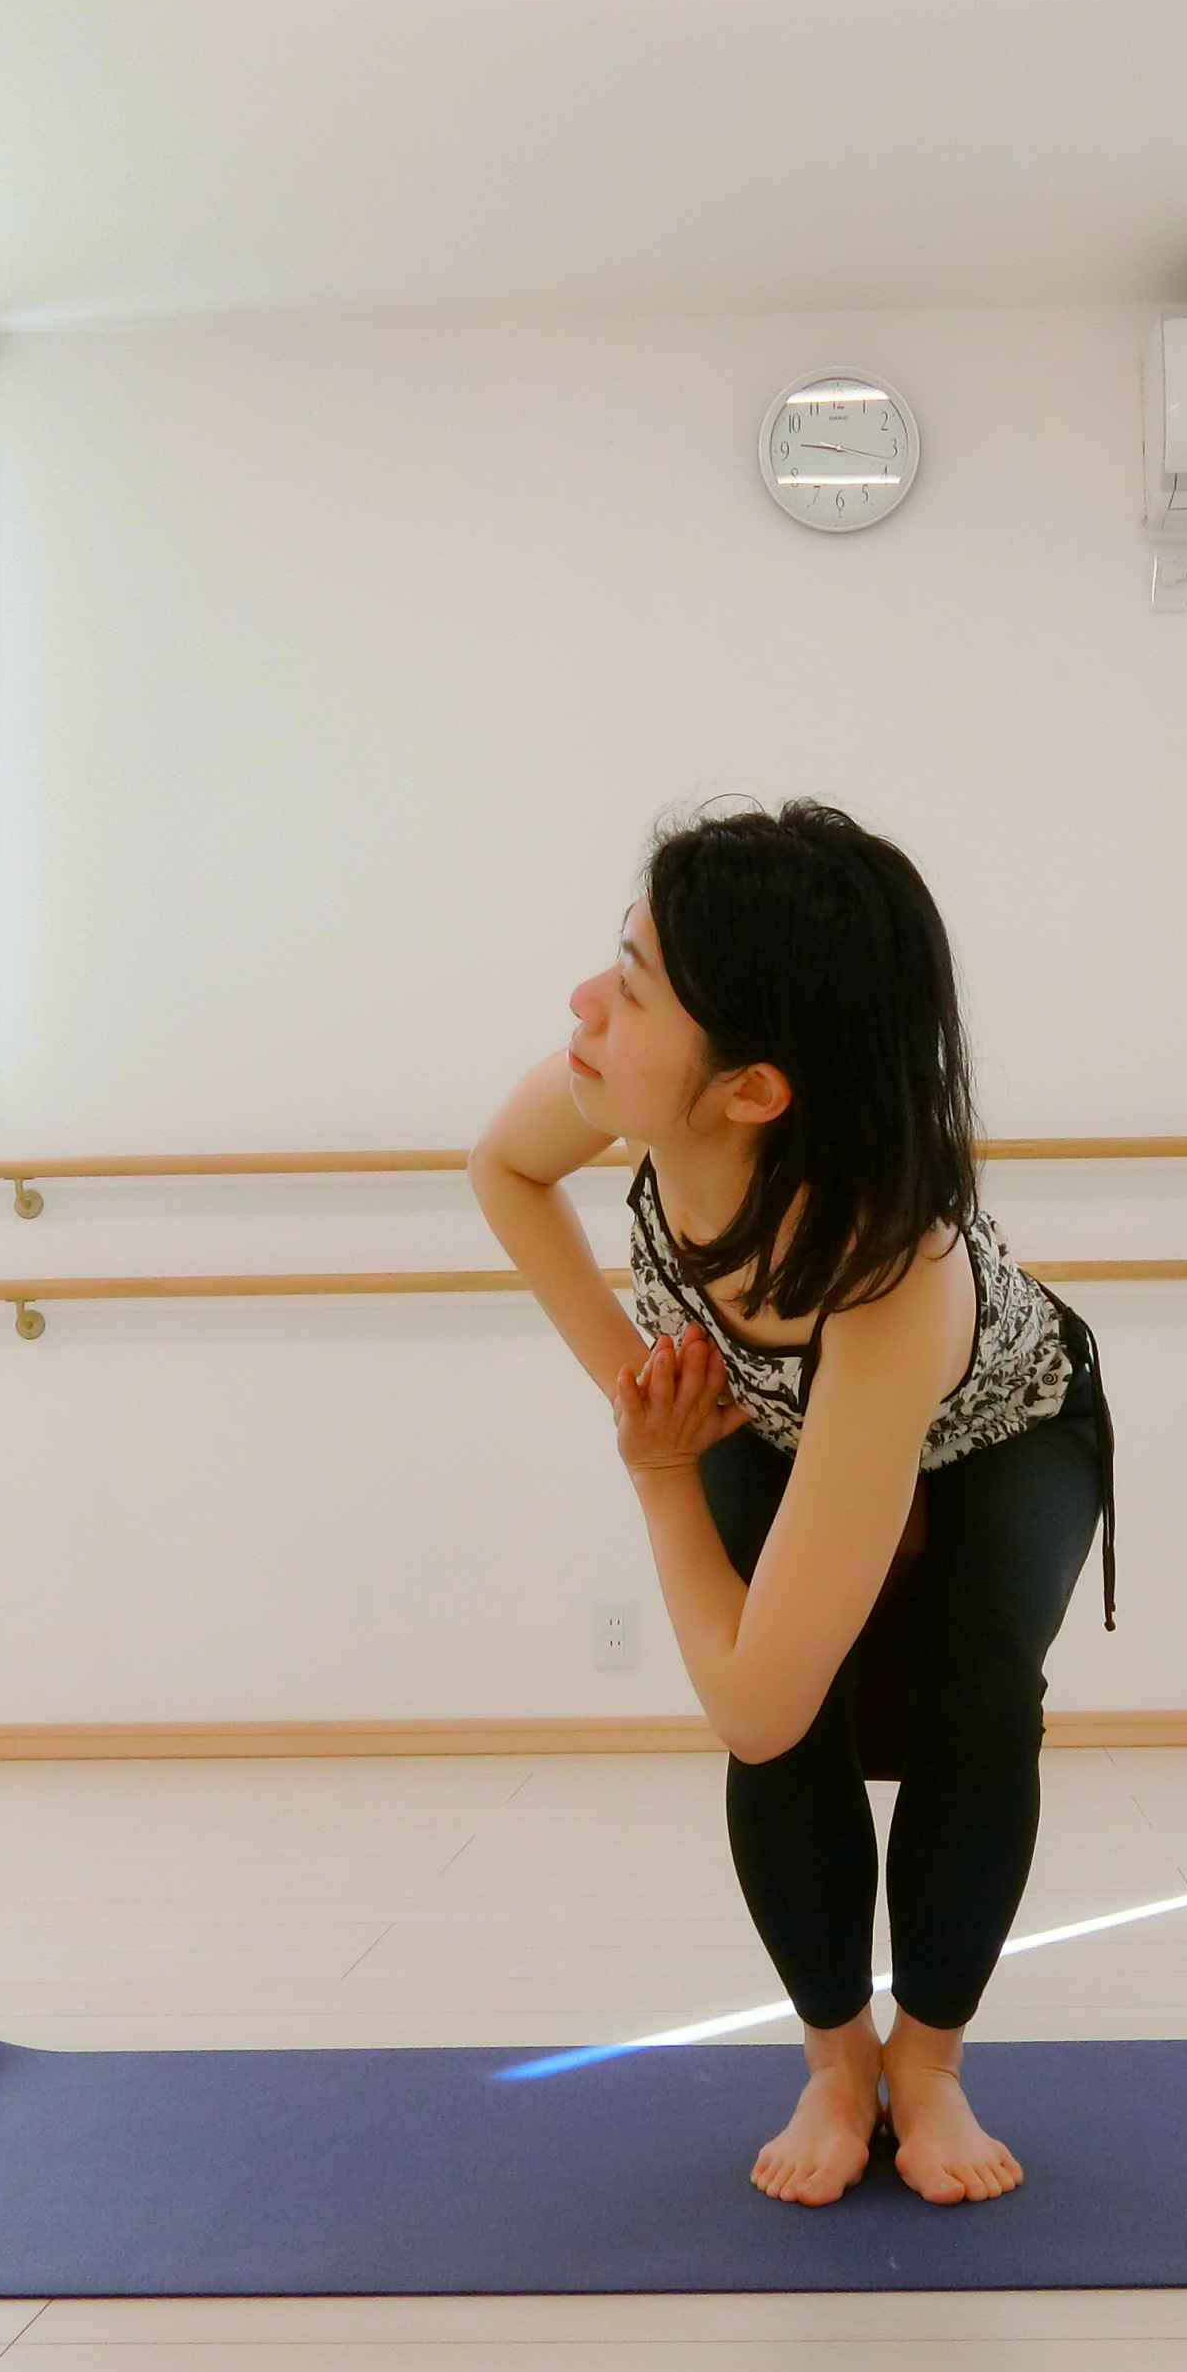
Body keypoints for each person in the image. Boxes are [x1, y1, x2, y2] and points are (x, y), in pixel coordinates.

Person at [467, 798, 1116, 2206]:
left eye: (633, 987)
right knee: (785, 1707)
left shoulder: (892, 1278)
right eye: (620, 958)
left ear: (753, 1090)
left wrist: (658, 1476)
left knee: (971, 1691)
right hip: (775, 1410)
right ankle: (835, 2064)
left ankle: (926, 2068)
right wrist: (646, 1393)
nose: (584, 1003)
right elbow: (501, 1170)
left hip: (1001, 1423)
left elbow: (746, 1697)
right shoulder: (616, 1087)